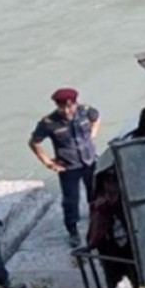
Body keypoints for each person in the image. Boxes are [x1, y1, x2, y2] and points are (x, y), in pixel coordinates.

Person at [28, 88, 100, 247]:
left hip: (89, 161)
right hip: (68, 167)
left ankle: (97, 221)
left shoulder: (85, 111)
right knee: (71, 200)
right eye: (62, 107)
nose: (67, 111)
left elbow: (96, 119)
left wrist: (92, 136)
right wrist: (48, 163)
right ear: (57, 105)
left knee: (95, 193)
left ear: (76, 103)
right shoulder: (49, 123)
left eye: (70, 106)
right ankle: (73, 231)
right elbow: (34, 142)